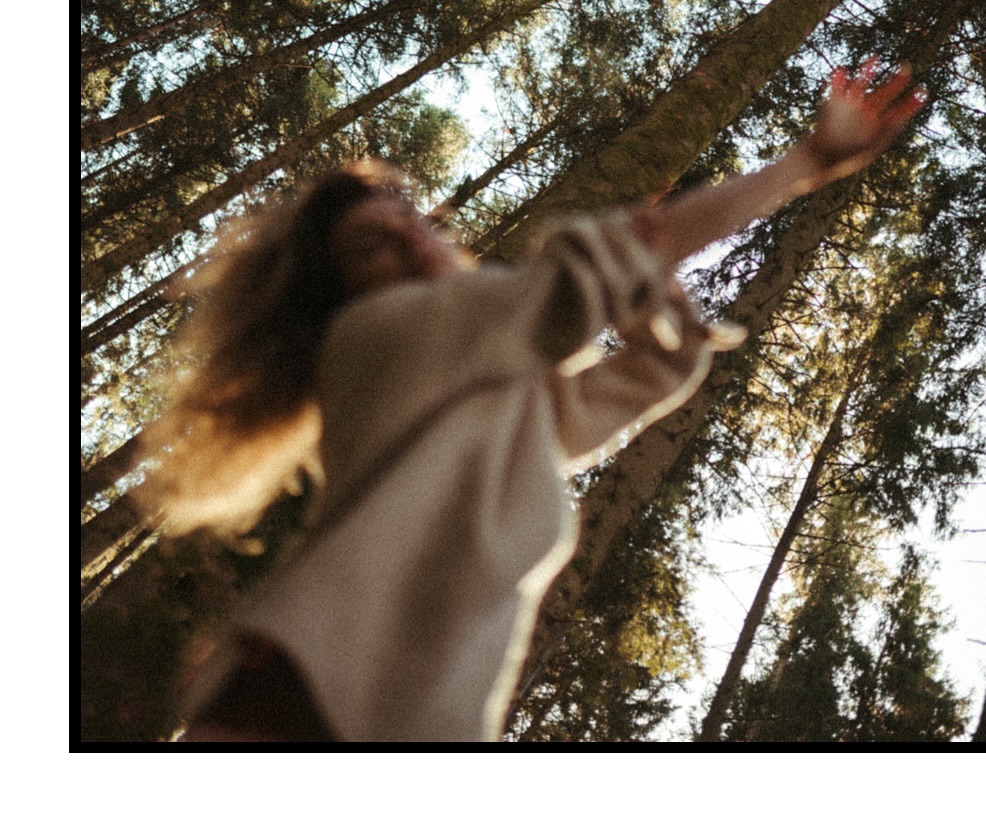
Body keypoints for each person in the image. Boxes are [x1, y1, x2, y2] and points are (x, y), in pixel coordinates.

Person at [141, 57, 924, 743]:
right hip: (292, 712)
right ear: (340, 297)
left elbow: (631, 383)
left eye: (416, 218)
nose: (417, 241)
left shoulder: (483, 399)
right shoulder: (376, 337)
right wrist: (807, 161)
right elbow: (582, 279)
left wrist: (652, 284)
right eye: (373, 246)